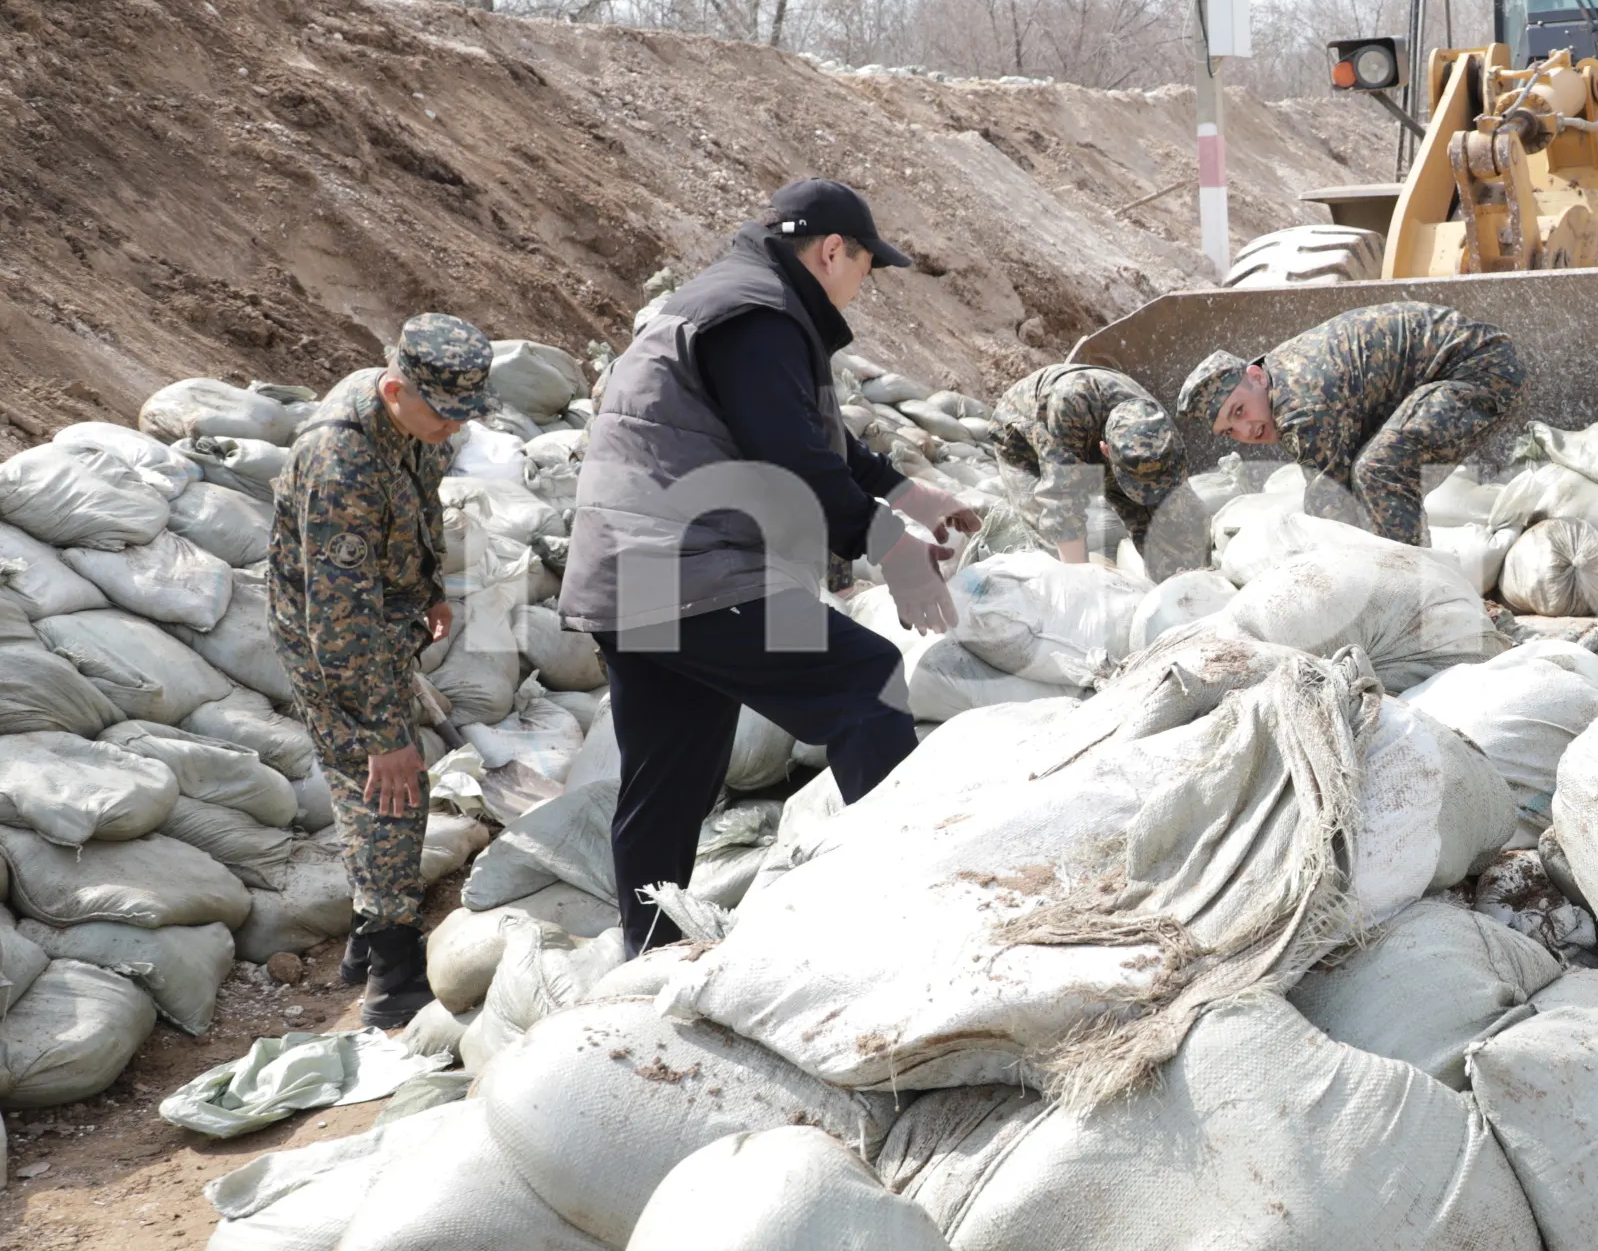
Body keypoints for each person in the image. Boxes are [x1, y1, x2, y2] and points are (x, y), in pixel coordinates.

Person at [562, 178, 983, 955]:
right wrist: (890, 548)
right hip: (686, 567)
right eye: (866, 268)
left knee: (671, 775)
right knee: (868, 686)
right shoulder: (757, 315)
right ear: (832, 251)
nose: (865, 287)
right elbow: (788, 455)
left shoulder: (741, 302)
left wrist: (902, 491)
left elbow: (806, 433)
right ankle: (904, 917)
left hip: (630, 576)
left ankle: (651, 958)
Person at [269, 314, 497, 1026]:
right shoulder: (339, 460)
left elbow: (421, 497)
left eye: (467, 413)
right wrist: (381, 730)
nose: (455, 429)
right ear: (397, 389)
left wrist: (429, 587)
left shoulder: (409, 420)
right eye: (446, 413)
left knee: (374, 786)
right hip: (333, 641)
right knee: (389, 787)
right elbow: (338, 618)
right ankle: (392, 974)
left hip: (382, 617)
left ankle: (369, 944)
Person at [1176, 301, 1523, 546]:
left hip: (1481, 371)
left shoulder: (1299, 405)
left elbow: (1332, 506)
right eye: (1229, 431)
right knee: (1370, 473)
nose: (1246, 430)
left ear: (1255, 376)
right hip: (1455, 372)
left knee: (1379, 471)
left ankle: (1421, 594)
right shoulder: (1280, 380)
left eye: (1239, 411)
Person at [992, 362, 1183, 561]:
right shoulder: (1068, 407)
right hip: (1023, 431)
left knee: (1156, 529)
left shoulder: (1165, 439)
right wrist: (1079, 579)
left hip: (1095, 427)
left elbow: (1172, 507)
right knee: (1051, 544)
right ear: (1105, 451)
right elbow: (1061, 503)